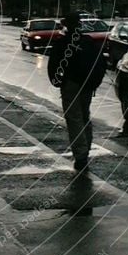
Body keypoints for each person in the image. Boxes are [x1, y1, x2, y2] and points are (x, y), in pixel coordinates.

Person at [47, 11, 107, 172]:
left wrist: (56, 81)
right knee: (85, 116)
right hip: (87, 84)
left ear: (66, 24)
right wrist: (95, 82)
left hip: (70, 84)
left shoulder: (62, 42)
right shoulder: (88, 41)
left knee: (74, 119)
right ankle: (85, 150)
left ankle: (81, 156)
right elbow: (101, 63)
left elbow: (53, 63)